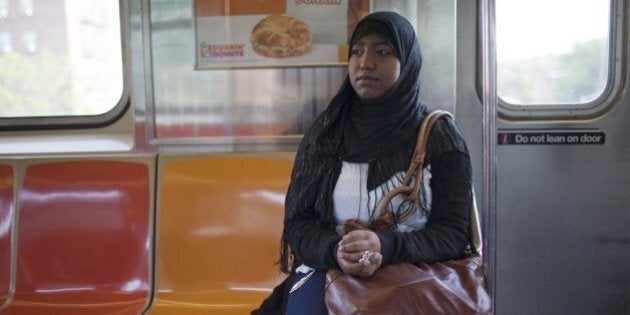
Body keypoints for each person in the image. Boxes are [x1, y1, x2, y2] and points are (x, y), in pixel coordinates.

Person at [254, 11, 472, 314]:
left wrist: (385, 246)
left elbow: (453, 233)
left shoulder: (440, 135)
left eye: (382, 51)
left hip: (419, 274)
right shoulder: (326, 134)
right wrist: (337, 251)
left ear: (407, 63)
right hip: (332, 269)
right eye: (357, 51)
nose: (365, 62)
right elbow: (298, 224)